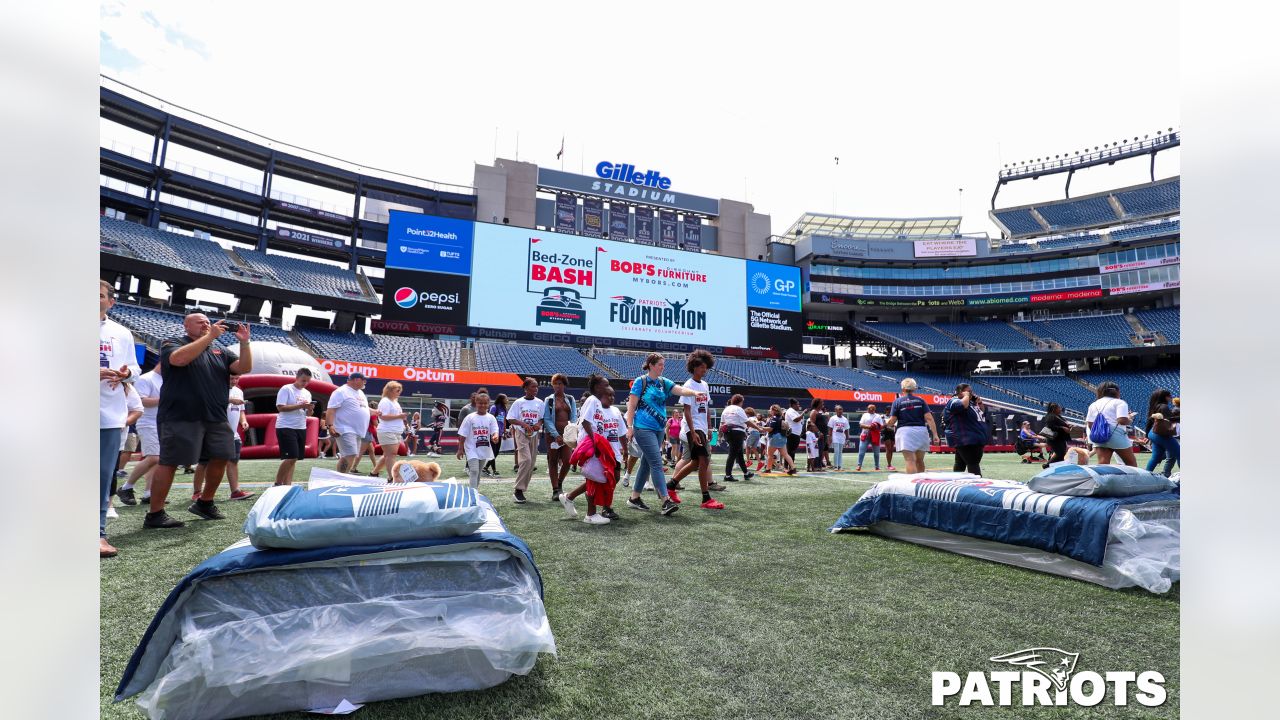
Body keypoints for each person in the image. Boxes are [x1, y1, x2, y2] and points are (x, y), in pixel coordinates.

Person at [144, 312, 252, 528]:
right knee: (170, 461)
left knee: (222, 456)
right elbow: (179, 359)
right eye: (199, 322)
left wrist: (244, 343)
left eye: (207, 321)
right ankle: (155, 514)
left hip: (215, 415)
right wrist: (210, 336)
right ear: (186, 326)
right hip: (180, 415)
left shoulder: (219, 349)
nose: (206, 324)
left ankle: (205, 502)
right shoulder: (172, 342)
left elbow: (243, 368)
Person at [623, 352, 698, 516]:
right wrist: (629, 427)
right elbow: (631, 406)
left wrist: (693, 393)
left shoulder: (664, 382)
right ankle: (665, 500)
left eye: (663, 365)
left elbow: (679, 390)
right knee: (656, 463)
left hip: (658, 429)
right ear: (651, 365)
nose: (662, 368)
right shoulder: (640, 381)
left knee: (646, 463)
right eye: (660, 365)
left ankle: (634, 497)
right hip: (643, 427)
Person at [99, 281, 141, 555]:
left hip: (109, 415)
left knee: (102, 477)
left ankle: (97, 534)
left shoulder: (121, 332)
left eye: (100, 296)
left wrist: (126, 374)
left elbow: (135, 368)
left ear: (111, 302)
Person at [667, 350, 726, 509]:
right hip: (692, 427)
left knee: (695, 462)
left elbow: (706, 408)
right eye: (701, 367)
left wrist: (709, 427)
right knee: (704, 460)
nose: (704, 370)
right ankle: (706, 499)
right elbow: (687, 411)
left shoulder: (705, 385)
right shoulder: (688, 385)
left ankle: (671, 485)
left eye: (706, 367)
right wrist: (692, 432)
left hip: (702, 428)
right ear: (694, 367)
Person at [561, 375, 623, 522]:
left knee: (595, 477)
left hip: (595, 441)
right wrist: (595, 442)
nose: (608, 388)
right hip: (591, 442)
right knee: (594, 477)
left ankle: (571, 498)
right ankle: (590, 514)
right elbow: (586, 422)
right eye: (605, 385)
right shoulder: (592, 400)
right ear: (597, 387)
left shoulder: (597, 403)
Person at [118, 363, 161, 506]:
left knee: (157, 459)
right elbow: (142, 402)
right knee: (154, 458)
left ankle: (149, 492)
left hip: (161, 423)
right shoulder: (146, 378)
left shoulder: (165, 379)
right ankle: (126, 487)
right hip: (148, 423)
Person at [885, 378, 939, 475]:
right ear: (914, 388)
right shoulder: (921, 400)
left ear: (902, 388)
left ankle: (912, 486)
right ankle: (921, 485)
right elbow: (929, 418)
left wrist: (885, 422)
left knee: (910, 460)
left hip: (905, 432)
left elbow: (892, 421)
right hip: (921, 431)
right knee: (920, 460)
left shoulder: (897, 401)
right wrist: (935, 434)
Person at [507, 377, 546, 504]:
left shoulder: (540, 402)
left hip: (534, 434)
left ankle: (522, 490)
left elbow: (542, 418)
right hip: (521, 432)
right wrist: (523, 424)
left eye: (537, 387)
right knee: (526, 459)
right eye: (533, 387)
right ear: (525, 388)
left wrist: (538, 424)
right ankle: (518, 490)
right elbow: (510, 419)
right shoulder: (518, 402)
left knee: (532, 462)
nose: (535, 389)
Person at [274, 368, 314, 485]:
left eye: (307, 381)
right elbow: (280, 407)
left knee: (294, 459)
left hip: (300, 426)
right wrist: (299, 405)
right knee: (291, 457)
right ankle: (277, 483)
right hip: (286, 426)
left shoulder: (307, 393)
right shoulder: (286, 389)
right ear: (297, 378)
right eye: (303, 380)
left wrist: (309, 409)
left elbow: (307, 414)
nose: (305, 383)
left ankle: (287, 485)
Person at [326, 373, 372, 474]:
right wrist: (330, 425)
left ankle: (342, 476)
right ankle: (341, 477)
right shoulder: (341, 391)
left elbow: (362, 408)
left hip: (358, 430)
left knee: (351, 454)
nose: (365, 382)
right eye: (363, 380)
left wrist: (375, 411)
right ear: (355, 380)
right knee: (350, 454)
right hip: (345, 428)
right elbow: (331, 409)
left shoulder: (360, 393)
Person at [541, 374, 578, 501]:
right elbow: (546, 419)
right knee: (553, 460)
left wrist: (569, 432)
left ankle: (560, 482)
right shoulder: (549, 400)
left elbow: (573, 417)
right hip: (552, 436)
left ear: (564, 385)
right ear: (552, 385)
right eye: (555, 383)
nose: (558, 386)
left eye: (560, 383)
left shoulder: (571, 399)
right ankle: (555, 489)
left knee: (568, 461)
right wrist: (556, 435)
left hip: (567, 436)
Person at [1086, 381, 1139, 467]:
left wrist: (1100, 432)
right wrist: (1129, 419)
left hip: (1099, 435)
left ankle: (1102, 480)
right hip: (1116, 434)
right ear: (1117, 391)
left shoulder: (1093, 404)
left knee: (1103, 463)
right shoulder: (1120, 402)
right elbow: (1121, 420)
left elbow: (1090, 424)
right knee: (1131, 463)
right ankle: (1132, 480)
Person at [946, 383, 992, 476]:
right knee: (973, 465)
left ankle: (957, 485)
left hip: (974, 438)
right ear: (960, 392)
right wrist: (966, 396)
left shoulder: (971, 403)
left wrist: (979, 402)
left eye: (971, 391)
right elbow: (962, 406)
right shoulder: (954, 400)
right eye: (968, 391)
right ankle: (978, 487)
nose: (971, 393)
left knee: (960, 464)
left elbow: (982, 412)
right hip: (967, 439)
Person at [456, 392, 499, 489]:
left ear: (488, 404)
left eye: (485, 403)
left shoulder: (491, 418)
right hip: (471, 448)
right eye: (480, 403)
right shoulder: (470, 417)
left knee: (479, 472)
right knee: (474, 470)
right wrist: (460, 449)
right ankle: (472, 493)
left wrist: (495, 437)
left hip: (484, 448)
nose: (483, 405)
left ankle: (475, 490)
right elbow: (463, 434)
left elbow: (495, 430)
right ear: (476, 403)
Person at [372, 381, 409, 481]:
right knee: (391, 455)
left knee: (388, 455)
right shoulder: (385, 401)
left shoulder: (395, 401)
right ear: (390, 390)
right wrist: (399, 416)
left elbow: (397, 416)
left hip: (395, 431)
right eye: (397, 390)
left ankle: (374, 473)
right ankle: (391, 478)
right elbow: (383, 416)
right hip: (387, 431)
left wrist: (403, 418)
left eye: (399, 390)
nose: (399, 392)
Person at [719, 394, 756, 482]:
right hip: (737, 433)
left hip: (728, 432)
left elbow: (721, 424)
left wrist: (720, 435)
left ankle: (746, 473)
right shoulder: (739, 409)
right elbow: (747, 421)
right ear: (740, 401)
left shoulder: (726, 409)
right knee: (733, 454)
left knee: (739, 454)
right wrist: (758, 428)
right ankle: (728, 475)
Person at [1145, 388, 1181, 475]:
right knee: (1180, 454)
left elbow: (1149, 421)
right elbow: (1169, 419)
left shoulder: (1155, 406)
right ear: (1165, 397)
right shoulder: (1163, 407)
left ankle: (1145, 475)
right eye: (1169, 396)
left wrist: (1147, 435)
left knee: (1156, 456)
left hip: (1153, 433)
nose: (1171, 398)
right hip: (1161, 434)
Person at [1039, 402, 1072, 467]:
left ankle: (1058, 467)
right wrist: (1063, 428)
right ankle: (1047, 466)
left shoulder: (1058, 416)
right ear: (1054, 409)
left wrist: (1068, 425)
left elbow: (1063, 423)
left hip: (1060, 438)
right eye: (1059, 408)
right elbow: (1051, 426)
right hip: (1054, 439)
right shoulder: (1050, 416)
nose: (1060, 409)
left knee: (1062, 454)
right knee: (1060, 454)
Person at [483, 393, 508, 478]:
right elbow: (489, 419)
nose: (507, 400)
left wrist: (504, 431)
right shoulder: (494, 407)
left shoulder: (504, 409)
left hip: (500, 433)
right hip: (493, 433)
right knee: (493, 451)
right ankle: (493, 470)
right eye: (506, 398)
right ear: (501, 399)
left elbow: (504, 420)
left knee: (496, 452)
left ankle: (486, 467)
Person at [856, 404, 884, 472]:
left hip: (875, 435)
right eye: (869, 408)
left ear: (875, 409)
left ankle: (877, 466)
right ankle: (859, 465)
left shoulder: (878, 416)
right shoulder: (865, 415)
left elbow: (881, 426)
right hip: (865, 435)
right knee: (861, 451)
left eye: (872, 408)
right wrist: (870, 427)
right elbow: (861, 425)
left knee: (876, 453)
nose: (870, 409)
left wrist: (876, 427)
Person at [809, 398, 831, 470]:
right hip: (817, 435)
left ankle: (819, 466)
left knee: (821, 451)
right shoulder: (814, 412)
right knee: (817, 450)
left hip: (823, 434)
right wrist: (818, 432)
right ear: (817, 404)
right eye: (821, 403)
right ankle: (815, 466)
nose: (823, 404)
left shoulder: (821, 412)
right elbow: (811, 423)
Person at [784, 398, 805, 468]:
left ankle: (790, 466)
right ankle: (789, 467)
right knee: (790, 451)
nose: (798, 406)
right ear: (793, 405)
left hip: (796, 434)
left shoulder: (794, 411)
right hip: (792, 433)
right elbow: (796, 420)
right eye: (797, 404)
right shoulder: (790, 411)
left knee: (791, 451)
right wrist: (803, 413)